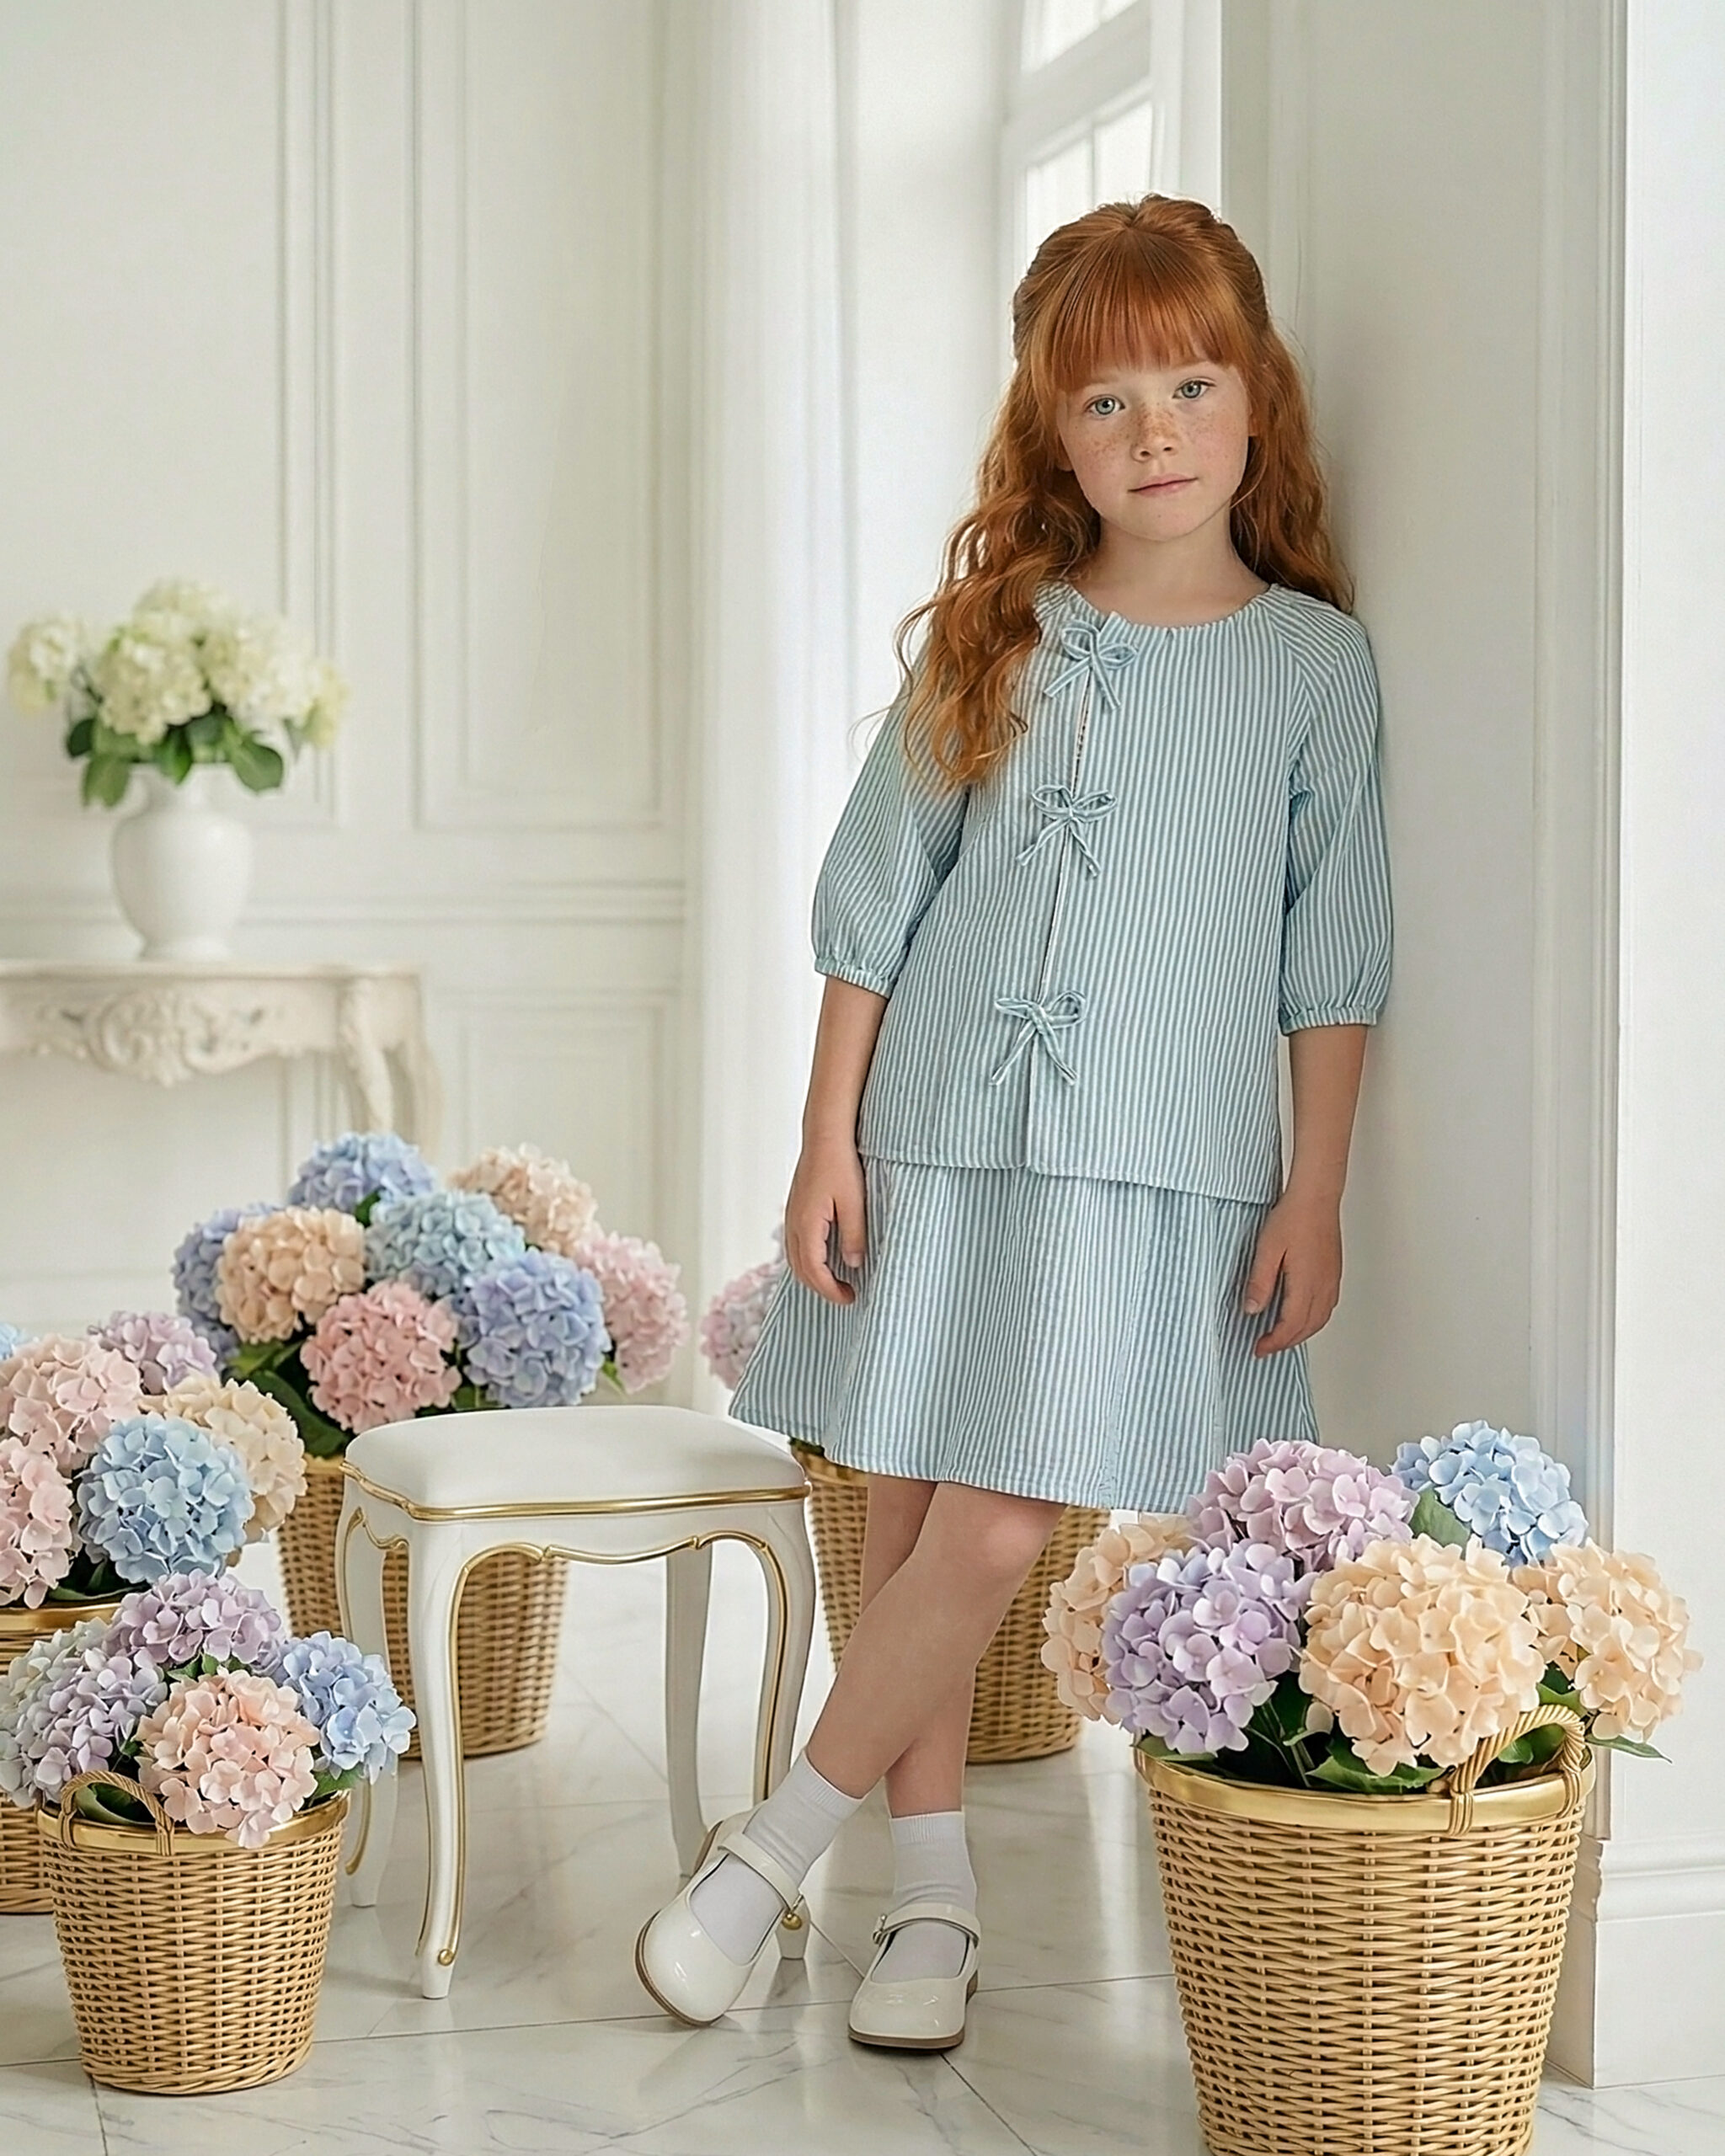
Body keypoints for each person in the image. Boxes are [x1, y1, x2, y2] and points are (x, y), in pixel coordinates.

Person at [635, 194, 1392, 2051]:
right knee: (906, 1506)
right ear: (1052, 432)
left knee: (995, 1525)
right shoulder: (999, 635)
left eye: (1190, 385)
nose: (1155, 433)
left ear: (1257, 394)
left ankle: (767, 1851)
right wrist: (825, 1138)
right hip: (936, 1129)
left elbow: (1335, 953)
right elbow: (873, 901)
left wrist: (1316, 1187)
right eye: (1105, 400)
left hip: (1158, 1168)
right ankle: (932, 1900)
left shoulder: (1312, 663)